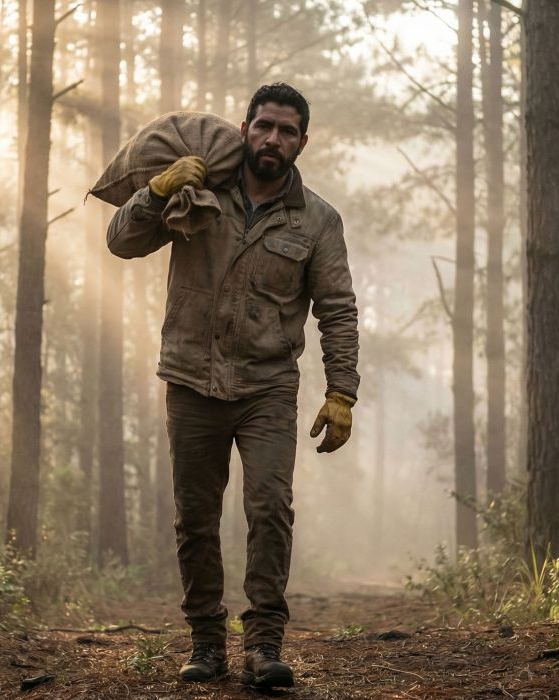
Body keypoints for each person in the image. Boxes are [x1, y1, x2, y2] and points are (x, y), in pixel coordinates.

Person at [106, 82, 360, 689]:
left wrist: (341, 391)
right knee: (195, 517)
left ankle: (264, 645)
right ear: (245, 128)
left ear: (303, 141)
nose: (273, 139)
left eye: (287, 131)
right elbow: (121, 241)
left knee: (269, 508)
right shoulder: (198, 189)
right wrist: (157, 190)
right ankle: (207, 644)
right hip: (191, 379)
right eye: (264, 126)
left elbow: (338, 308)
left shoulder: (318, 219)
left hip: (267, 387)